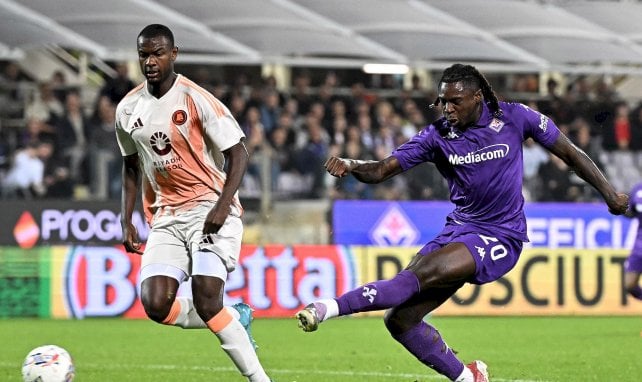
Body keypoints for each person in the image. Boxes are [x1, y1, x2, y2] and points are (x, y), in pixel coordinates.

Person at [296, 64, 630, 382]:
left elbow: (570, 153)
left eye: (455, 101)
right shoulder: (436, 135)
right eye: (442, 100)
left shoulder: (516, 117)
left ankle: (327, 308)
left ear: (476, 98)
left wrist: (610, 194)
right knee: (400, 320)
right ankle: (468, 376)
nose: (447, 108)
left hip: (501, 235)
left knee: (412, 279)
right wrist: (353, 164)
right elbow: (382, 169)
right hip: (459, 228)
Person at [116, 24, 272, 382]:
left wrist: (223, 204)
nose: (150, 61)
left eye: (157, 53)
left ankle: (260, 379)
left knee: (205, 296)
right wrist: (126, 219)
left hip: (208, 208)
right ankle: (234, 316)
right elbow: (130, 165)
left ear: (174, 54)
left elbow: (239, 153)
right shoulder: (127, 109)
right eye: (144, 54)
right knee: (155, 304)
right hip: (166, 216)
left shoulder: (195, 98)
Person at [624, 182, 642, 302]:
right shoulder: (638, 188)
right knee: (629, 284)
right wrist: (619, 208)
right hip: (640, 243)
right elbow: (630, 212)